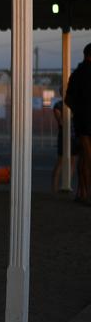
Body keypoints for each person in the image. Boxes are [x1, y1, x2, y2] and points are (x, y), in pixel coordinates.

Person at [64, 44, 91, 204]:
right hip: (86, 121)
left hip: (81, 123)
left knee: (84, 158)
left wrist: (78, 110)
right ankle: (86, 195)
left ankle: (82, 193)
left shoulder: (76, 74)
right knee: (87, 159)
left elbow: (68, 99)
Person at [52, 97, 79, 195]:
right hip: (64, 137)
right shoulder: (58, 105)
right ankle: (54, 189)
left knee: (73, 162)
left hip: (74, 137)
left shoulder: (75, 104)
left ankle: (67, 186)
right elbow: (61, 122)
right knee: (60, 162)